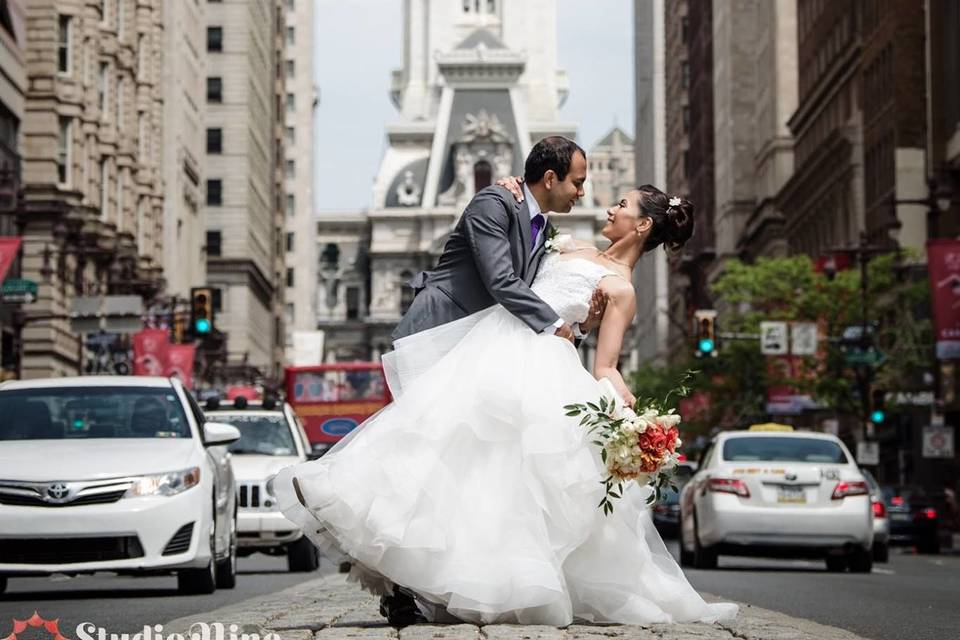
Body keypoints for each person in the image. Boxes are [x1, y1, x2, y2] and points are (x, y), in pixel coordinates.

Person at [272, 163, 738, 626]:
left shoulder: (621, 290)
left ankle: (481, 579)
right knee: (441, 448)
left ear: (642, 225)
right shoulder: (571, 243)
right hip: (490, 348)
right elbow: (516, 258)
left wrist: (634, 420)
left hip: (542, 372)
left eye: (622, 204)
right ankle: (345, 500)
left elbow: (605, 366)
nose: (609, 206)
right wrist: (514, 191)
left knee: (506, 484)